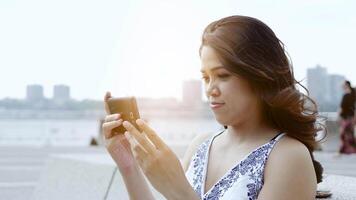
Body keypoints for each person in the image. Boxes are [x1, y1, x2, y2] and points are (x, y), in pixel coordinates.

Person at [102, 15, 323, 200]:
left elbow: (182, 195)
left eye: (222, 76)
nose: (210, 89)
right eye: (206, 77)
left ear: (259, 75)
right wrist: (128, 166)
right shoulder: (201, 146)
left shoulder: (288, 156)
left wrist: (179, 192)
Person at [338, 80, 356, 154]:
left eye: (343, 85)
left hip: (346, 117)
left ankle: (346, 149)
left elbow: (342, 107)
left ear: (347, 85)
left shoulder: (346, 95)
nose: (342, 86)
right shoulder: (353, 94)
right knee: (349, 133)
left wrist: (339, 115)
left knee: (344, 133)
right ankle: (349, 149)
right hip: (351, 117)